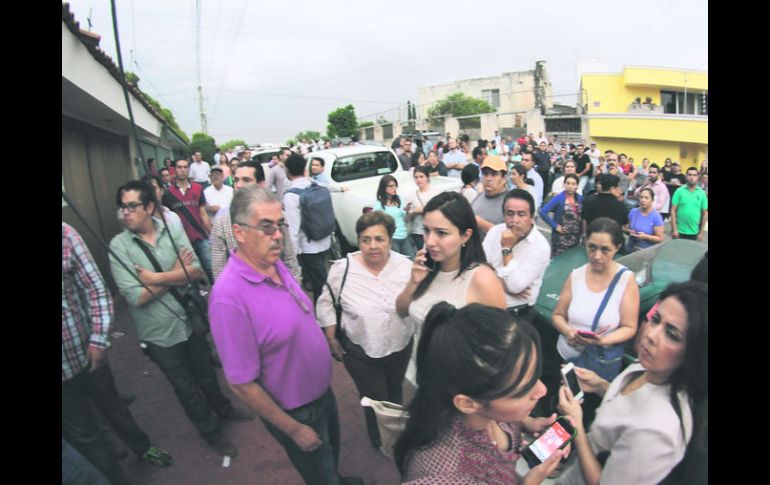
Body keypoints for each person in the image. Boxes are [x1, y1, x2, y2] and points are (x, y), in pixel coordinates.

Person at [208, 187, 362, 485]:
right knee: (321, 475)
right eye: (266, 226)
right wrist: (293, 429)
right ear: (238, 232)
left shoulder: (273, 263)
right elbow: (241, 383)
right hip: (296, 411)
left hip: (321, 394)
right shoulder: (228, 297)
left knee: (330, 458)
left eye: (280, 224)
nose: (277, 234)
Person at [109, 181, 251, 459]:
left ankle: (224, 409)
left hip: (189, 320)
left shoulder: (172, 230)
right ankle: (210, 432)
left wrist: (155, 278)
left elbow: (196, 271)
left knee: (208, 376)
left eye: (132, 206)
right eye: (121, 207)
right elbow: (136, 296)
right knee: (186, 388)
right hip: (159, 334)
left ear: (149, 207)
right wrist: (176, 273)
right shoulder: (118, 247)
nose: (125, 212)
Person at [395, 303, 568, 484]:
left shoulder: (486, 405)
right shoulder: (445, 477)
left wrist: (528, 423)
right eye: (524, 389)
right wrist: (532, 480)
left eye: (536, 376)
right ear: (468, 404)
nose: (542, 391)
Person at [557, 281, 707, 485]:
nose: (651, 335)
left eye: (672, 334)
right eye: (655, 319)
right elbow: (632, 407)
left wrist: (577, 426)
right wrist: (600, 385)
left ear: (694, 353)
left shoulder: (657, 432)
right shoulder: (653, 365)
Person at [63, 223, 172, 485]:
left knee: (113, 406)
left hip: (88, 354)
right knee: (85, 436)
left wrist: (99, 340)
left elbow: (97, 289)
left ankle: (142, 447)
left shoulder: (65, 235)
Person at [317, 212, 414, 450]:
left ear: (390, 240)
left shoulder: (406, 266)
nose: (372, 246)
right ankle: (380, 441)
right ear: (358, 241)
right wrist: (331, 338)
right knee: (376, 401)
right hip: (361, 352)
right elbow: (326, 302)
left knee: (395, 394)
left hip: (399, 346)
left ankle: (398, 436)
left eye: (379, 239)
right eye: (366, 239)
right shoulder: (343, 269)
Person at [396, 191, 506, 387]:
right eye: (426, 230)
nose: (430, 241)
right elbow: (402, 311)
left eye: (441, 233)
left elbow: (501, 345)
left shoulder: (482, 279)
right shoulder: (426, 267)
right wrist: (413, 282)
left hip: (459, 386)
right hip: (422, 378)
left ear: (465, 235)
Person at [549, 218, 640, 424]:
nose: (597, 256)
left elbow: (629, 327)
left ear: (617, 248)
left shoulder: (625, 280)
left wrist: (602, 341)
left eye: (605, 250)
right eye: (592, 248)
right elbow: (558, 315)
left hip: (596, 367)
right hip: (566, 359)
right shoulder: (576, 275)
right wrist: (568, 331)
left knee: (586, 416)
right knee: (562, 411)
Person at [210, 161, 301, 282]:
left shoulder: (278, 216)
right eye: (236, 180)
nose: (239, 185)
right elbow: (219, 270)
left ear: (261, 184)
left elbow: (290, 259)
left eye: (246, 180)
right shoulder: (222, 221)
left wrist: (294, 291)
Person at [482, 189, 551, 323]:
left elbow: (514, 286)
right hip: (487, 305)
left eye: (521, 214)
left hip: (516, 315)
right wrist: (502, 283)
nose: (515, 220)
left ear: (531, 217)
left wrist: (507, 248)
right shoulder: (495, 231)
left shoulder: (540, 246)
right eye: (510, 214)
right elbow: (478, 265)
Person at [284, 153, 333, 302]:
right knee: (323, 278)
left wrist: (293, 255)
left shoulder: (291, 196)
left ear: (288, 171)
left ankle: (324, 316)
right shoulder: (315, 184)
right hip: (325, 239)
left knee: (319, 285)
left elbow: (293, 229)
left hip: (308, 246)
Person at [163, 158, 214, 283]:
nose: (183, 170)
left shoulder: (198, 188)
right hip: (182, 243)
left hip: (200, 237)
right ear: (174, 170)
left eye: (185, 167)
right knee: (192, 275)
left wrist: (211, 233)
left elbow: (203, 212)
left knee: (212, 270)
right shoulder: (168, 193)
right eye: (180, 167)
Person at [374, 174, 416, 259]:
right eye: (391, 186)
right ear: (384, 187)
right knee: (396, 264)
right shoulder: (379, 205)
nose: (394, 189)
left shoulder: (399, 200)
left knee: (411, 261)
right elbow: (374, 222)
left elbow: (406, 220)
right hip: (392, 239)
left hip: (404, 236)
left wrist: (407, 212)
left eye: (395, 186)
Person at [540, 174, 583, 256]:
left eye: (573, 184)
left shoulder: (580, 198)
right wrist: (555, 226)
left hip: (575, 237)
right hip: (561, 238)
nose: (570, 186)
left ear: (577, 186)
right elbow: (543, 212)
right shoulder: (559, 198)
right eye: (568, 183)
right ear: (564, 185)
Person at [471, 155, 510, 239]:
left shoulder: (509, 203)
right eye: (485, 174)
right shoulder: (480, 195)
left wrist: (479, 222)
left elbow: (508, 236)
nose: (488, 178)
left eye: (494, 174)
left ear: (504, 178)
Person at [403, 166, 440, 251]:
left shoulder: (435, 192)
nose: (418, 179)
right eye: (416, 177)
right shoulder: (412, 195)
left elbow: (439, 211)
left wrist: (421, 210)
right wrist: (409, 212)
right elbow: (408, 219)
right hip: (417, 232)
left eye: (421, 176)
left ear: (427, 177)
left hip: (433, 230)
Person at [671, 167, 708, 241]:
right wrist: (674, 230)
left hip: (695, 232)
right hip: (679, 232)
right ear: (686, 177)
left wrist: (701, 233)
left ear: (698, 177)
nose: (692, 177)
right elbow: (673, 210)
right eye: (690, 175)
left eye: (694, 175)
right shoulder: (679, 191)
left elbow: (705, 213)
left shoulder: (702, 193)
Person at [626, 187, 664, 252]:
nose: (643, 200)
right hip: (630, 248)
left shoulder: (656, 216)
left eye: (646, 198)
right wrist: (630, 231)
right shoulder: (633, 211)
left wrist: (646, 236)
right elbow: (628, 227)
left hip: (645, 251)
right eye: (641, 197)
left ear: (652, 200)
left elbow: (660, 238)